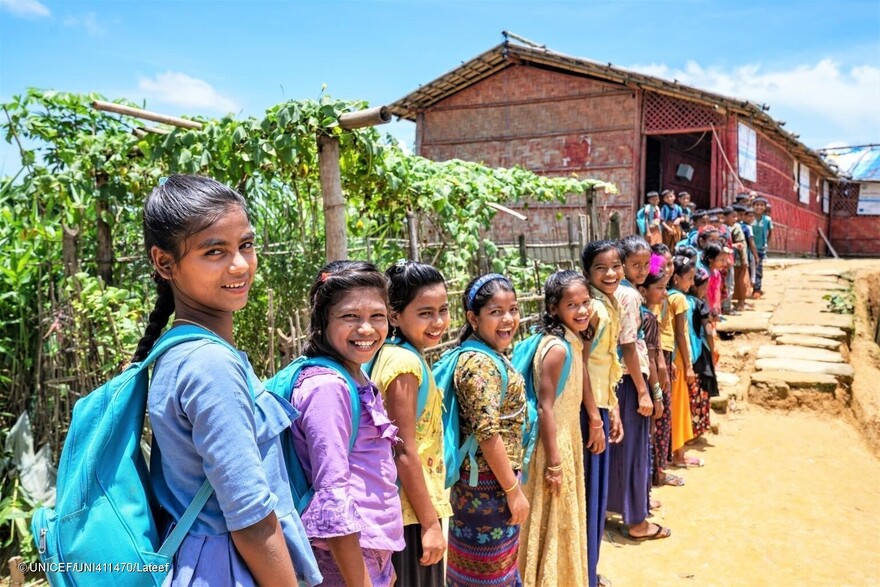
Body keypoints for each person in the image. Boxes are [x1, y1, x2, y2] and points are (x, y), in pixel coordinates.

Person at [140, 175, 321, 586]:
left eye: (246, 245)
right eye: (215, 251)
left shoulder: (180, 350)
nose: (240, 264)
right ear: (165, 262)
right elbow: (251, 518)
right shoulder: (209, 365)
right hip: (228, 569)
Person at [289, 260, 404, 586]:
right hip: (340, 557)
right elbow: (333, 496)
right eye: (350, 317)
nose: (366, 329)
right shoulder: (327, 388)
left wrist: (382, 564)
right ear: (323, 320)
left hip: (366, 551)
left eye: (377, 316)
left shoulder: (353, 374)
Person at [370, 261, 452, 587]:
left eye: (443, 310)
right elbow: (403, 452)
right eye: (425, 313)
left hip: (407, 509)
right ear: (394, 315)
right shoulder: (404, 364)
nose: (438, 322)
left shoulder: (390, 354)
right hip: (410, 514)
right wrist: (431, 525)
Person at [447, 274, 528, 587]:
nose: (508, 319)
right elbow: (487, 433)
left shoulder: (487, 354)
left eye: (513, 310)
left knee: (494, 570)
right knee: (488, 576)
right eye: (496, 312)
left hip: (488, 484)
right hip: (488, 489)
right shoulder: (479, 364)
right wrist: (513, 491)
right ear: (473, 318)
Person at [519, 270, 600, 587]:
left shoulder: (572, 340)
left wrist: (594, 419)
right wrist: (554, 462)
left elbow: (581, 377)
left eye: (585, 302)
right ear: (554, 308)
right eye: (572, 305)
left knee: (561, 516)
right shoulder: (558, 348)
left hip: (567, 437)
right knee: (554, 517)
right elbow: (545, 407)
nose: (581, 311)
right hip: (554, 443)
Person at [608, 235, 670, 542]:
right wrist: (646, 391)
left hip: (616, 378)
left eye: (647, 264)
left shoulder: (617, 290)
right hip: (632, 378)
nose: (644, 270)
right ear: (622, 265)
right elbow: (630, 345)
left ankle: (629, 504)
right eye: (636, 265)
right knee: (634, 450)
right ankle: (636, 521)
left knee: (621, 448)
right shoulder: (630, 296)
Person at [580, 240, 625, 587]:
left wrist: (613, 410)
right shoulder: (592, 309)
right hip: (586, 409)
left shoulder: (610, 303)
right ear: (587, 273)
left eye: (615, 266)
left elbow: (608, 364)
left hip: (601, 405)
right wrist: (595, 416)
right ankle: (585, 573)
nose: (610, 273)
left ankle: (589, 570)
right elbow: (581, 360)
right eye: (601, 268)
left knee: (596, 493)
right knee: (590, 495)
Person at [638, 263, 676, 490]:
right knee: (657, 426)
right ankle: (656, 477)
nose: (665, 293)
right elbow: (652, 356)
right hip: (653, 381)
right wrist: (657, 392)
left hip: (653, 378)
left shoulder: (650, 314)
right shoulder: (647, 317)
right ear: (644, 291)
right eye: (660, 288)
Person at [667, 256, 702, 468]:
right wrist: (689, 366)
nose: (691, 283)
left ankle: (675, 452)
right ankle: (679, 455)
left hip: (673, 359)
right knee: (679, 408)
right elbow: (681, 334)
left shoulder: (667, 297)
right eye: (689, 278)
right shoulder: (679, 299)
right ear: (677, 278)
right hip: (679, 361)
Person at [687, 269, 715, 438]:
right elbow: (709, 331)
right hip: (700, 352)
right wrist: (712, 351)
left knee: (689, 392)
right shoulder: (699, 304)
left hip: (686, 354)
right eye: (704, 287)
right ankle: (695, 430)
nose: (706, 291)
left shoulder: (683, 301)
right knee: (700, 391)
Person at [751, 197, 774, 297]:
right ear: (753, 206)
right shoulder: (750, 217)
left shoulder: (767, 220)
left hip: (760, 248)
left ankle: (757, 289)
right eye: (757, 205)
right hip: (749, 248)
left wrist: (767, 244)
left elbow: (770, 232)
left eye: (761, 205)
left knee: (758, 269)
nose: (759, 207)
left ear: (765, 207)